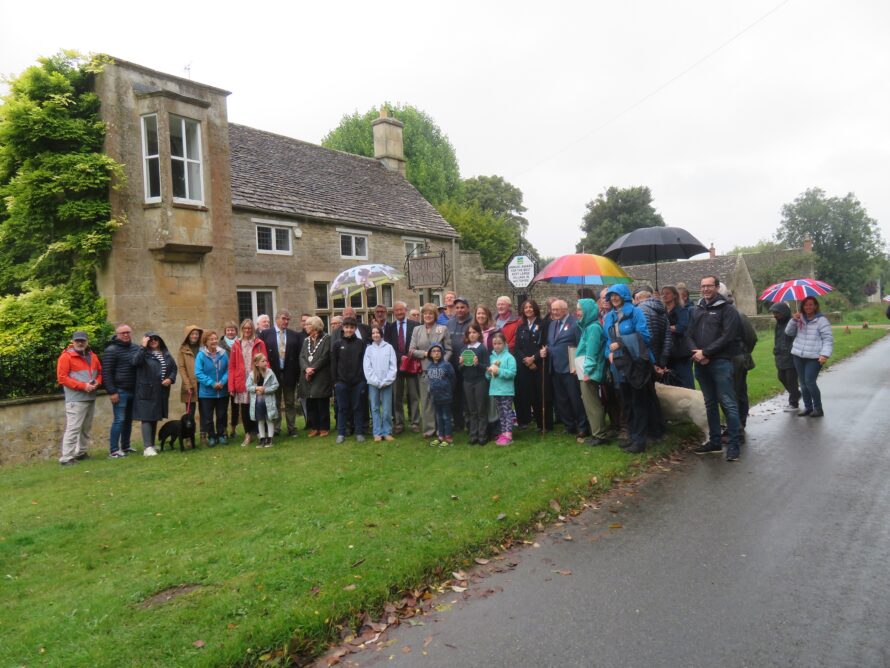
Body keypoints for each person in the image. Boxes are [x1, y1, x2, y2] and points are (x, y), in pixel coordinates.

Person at [686, 275, 742, 461]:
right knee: (710, 404)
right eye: (703, 286)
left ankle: (734, 444)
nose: (705, 289)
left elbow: (727, 337)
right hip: (700, 363)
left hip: (720, 363)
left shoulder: (728, 310)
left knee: (728, 403)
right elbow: (688, 334)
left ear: (717, 287)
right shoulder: (697, 308)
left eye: (709, 286)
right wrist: (697, 353)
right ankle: (715, 442)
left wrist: (706, 353)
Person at [603, 285, 653, 454]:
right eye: (611, 296)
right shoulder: (609, 317)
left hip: (636, 365)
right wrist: (608, 352)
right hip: (618, 366)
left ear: (624, 295)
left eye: (617, 295)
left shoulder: (635, 312)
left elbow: (645, 336)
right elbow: (606, 341)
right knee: (627, 403)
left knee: (638, 402)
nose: (614, 298)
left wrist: (622, 342)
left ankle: (640, 440)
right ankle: (632, 436)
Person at [542, 299, 587, 438]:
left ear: (565, 309)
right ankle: (569, 425)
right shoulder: (552, 325)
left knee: (575, 399)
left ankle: (583, 426)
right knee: (561, 399)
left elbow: (580, 345)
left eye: (557, 310)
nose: (554, 312)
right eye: (552, 309)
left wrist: (576, 366)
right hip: (555, 367)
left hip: (570, 368)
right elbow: (552, 343)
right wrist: (546, 350)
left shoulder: (574, 324)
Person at [57, 331, 102, 465]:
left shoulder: (93, 356)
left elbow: (99, 372)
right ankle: (66, 457)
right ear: (73, 342)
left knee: (85, 428)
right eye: (77, 341)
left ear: (87, 342)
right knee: (73, 428)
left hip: (90, 396)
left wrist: (97, 382)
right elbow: (62, 378)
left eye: (82, 340)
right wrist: (83, 386)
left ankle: (81, 452)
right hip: (75, 398)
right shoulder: (66, 357)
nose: (80, 343)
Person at [409, 303, 452, 437]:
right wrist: (426, 354)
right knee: (426, 401)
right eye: (425, 313)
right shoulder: (417, 330)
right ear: (422, 315)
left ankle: (441, 429)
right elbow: (411, 351)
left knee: (440, 400)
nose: (427, 316)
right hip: (424, 370)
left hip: (439, 372)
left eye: (430, 313)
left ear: (435, 315)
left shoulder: (442, 329)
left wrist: (442, 364)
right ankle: (429, 430)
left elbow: (449, 349)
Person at [786, 296, 833, 417]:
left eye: (811, 304)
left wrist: (825, 354)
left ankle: (818, 408)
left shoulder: (821, 320)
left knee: (809, 382)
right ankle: (808, 407)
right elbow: (788, 332)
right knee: (802, 383)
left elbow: (828, 339)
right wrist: (794, 320)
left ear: (816, 306)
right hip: (798, 355)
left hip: (814, 357)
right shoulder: (799, 318)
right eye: (806, 305)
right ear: (802, 306)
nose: (808, 307)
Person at [258, 309, 303, 438]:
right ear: (277, 318)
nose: (286, 321)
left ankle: (291, 428)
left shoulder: (294, 335)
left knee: (290, 402)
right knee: (275, 402)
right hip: (273, 374)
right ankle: (276, 428)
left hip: (290, 373)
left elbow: (299, 355)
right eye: (283, 318)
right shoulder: (266, 334)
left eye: (288, 319)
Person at [131, 332, 177, 456]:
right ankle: (147, 447)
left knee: (154, 417)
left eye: (156, 339)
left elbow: (173, 368)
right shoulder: (143, 353)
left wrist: (170, 379)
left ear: (160, 340)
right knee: (146, 418)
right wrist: (143, 346)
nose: (153, 341)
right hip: (146, 390)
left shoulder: (166, 354)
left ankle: (151, 444)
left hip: (161, 391)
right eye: (150, 339)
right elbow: (135, 362)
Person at [632, 287, 667, 441]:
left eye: (634, 299)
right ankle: (659, 428)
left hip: (646, 359)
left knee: (647, 397)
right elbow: (667, 338)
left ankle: (653, 430)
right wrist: (662, 360)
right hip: (657, 357)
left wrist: (651, 361)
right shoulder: (661, 310)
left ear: (639, 298)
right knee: (652, 395)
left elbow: (645, 339)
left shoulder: (640, 310)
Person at [228, 319, 268, 446]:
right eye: (245, 328)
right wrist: (231, 385)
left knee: (258, 407)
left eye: (249, 328)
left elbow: (266, 362)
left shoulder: (259, 343)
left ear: (253, 329)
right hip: (241, 381)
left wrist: (266, 378)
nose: (247, 330)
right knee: (245, 409)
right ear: (241, 329)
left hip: (256, 379)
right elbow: (232, 366)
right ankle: (247, 435)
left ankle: (260, 433)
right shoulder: (236, 344)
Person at [575, 298, 609, 446]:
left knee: (592, 403)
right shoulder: (587, 327)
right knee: (589, 403)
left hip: (589, 372)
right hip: (585, 370)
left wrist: (587, 372)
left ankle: (599, 435)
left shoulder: (593, 328)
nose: (577, 312)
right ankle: (597, 432)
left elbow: (592, 352)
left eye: (580, 309)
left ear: (588, 311)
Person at [514, 299, 550, 432]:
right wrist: (526, 360)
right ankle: (533, 422)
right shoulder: (521, 326)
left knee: (541, 395)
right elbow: (517, 348)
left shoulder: (543, 324)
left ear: (535, 308)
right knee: (529, 394)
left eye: (530, 307)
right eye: (526, 307)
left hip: (539, 365)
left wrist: (534, 359)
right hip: (525, 366)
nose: (528, 309)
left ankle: (544, 424)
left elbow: (545, 345)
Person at [384, 301, 420, 434]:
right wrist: (400, 357)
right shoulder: (390, 327)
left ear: (406, 310)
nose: (399, 312)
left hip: (412, 365)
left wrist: (409, 356)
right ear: (393, 313)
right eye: (396, 310)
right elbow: (388, 346)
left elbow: (417, 343)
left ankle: (415, 422)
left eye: (401, 310)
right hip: (396, 366)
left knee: (414, 395)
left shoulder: (415, 325)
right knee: (396, 396)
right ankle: (399, 423)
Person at [102, 323, 137, 457]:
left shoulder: (135, 348)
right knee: (119, 420)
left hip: (133, 390)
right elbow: (107, 373)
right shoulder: (111, 350)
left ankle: (126, 446)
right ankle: (114, 450)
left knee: (128, 420)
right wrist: (112, 391)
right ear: (117, 335)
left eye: (128, 332)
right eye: (123, 333)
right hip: (120, 391)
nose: (126, 335)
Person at [332, 317, 367, 444]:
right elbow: (333, 364)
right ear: (343, 328)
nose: (349, 330)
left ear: (355, 329)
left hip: (358, 382)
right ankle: (341, 433)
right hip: (341, 383)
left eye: (352, 327)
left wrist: (363, 381)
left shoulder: (360, 343)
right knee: (342, 408)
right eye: (347, 327)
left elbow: (364, 363)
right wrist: (335, 382)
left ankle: (359, 432)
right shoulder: (337, 344)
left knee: (358, 408)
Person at [194, 330, 230, 446]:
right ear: (205, 342)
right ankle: (211, 436)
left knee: (221, 415)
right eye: (211, 339)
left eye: (215, 338)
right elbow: (198, 373)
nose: (214, 341)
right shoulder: (201, 355)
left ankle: (221, 435)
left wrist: (223, 382)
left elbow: (228, 370)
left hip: (222, 391)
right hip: (207, 392)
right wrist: (212, 383)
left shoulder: (223, 354)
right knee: (208, 417)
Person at [364, 324, 398, 442]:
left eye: (377, 332)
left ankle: (387, 432)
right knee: (375, 408)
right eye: (373, 333)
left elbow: (393, 367)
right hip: (373, 384)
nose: (375, 335)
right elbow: (367, 368)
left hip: (386, 383)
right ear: (371, 335)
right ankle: (377, 433)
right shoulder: (369, 349)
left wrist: (386, 381)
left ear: (381, 334)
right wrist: (375, 381)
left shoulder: (389, 347)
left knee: (387, 408)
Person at [300, 316, 333, 436]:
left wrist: (313, 369)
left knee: (321, 402)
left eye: (308, 324)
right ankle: (314, 427)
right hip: (308, 375)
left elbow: (325, 356)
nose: (305, 326)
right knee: (311, 402)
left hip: (321, 375)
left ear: (315, 326)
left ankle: (324, 427)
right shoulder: (306, 340)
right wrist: (306, 369)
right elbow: (302, 357)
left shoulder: (326, 338)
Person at [445, 296, 473, 431]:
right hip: (452, 365)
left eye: (462, 307)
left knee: (467, 395)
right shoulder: (449, 323)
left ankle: (469, 423)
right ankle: (458, 423)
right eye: (457, 307)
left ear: (467, 308)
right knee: (454, 394)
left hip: (468, 365)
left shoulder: (473, 322)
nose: (460, 310)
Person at [461, 323, 491, 445]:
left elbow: (486, 367)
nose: (472, 335)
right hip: (467, 382)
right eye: (470, 333)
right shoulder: (464, 349)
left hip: (480, 382)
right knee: (472, 410)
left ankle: (482, 435)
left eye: (474, 332)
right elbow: (460, 369)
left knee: (481, 409)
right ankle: (473, 435)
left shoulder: (482, 349)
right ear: (467, 335)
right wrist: (461, 364)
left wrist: (477, 364)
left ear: (479, 334)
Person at [769, 302, 801, 411]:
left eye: (777, 313)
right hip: (780, 355)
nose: (775, 315)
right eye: (774, 313)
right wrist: (776, 349)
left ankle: (793, 403)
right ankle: (796, 394)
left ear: (783, 312)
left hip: (791, 354)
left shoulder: (792, 322)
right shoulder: (778, 324)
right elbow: (777, 338)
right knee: (781, 377)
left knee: (791, 379)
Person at [487, 332, 517, 446]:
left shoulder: (509, 357)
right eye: (495, 344)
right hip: (495, 390)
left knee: (507, 412)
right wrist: (489, 373)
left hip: (506, 390)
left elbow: (512, 373)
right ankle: (503, 432)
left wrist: (499, 371)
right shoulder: (491, 357)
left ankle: (508, 434)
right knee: (500, 412)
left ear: (505, 343)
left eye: (499, 343)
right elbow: (489, 376)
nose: (497, 346)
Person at [661, 286, 694, 389]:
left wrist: (666, 328)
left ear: (675, 295)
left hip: (681, 351)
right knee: (670, 381)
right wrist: (671, 327)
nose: (664, 295)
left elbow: (681, 327)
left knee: (685, 382)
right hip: (667, 352)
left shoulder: (681, 310)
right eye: (663, 293)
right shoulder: (662, 311)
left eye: (667, 293)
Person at [177, 325, 204, 443]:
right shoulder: (183, 349)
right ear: (188, 336)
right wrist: (188, 385)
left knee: (205, 411)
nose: (195, 336)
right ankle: (189, 437)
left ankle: (203, 435)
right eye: (192, 334)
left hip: (202, 384)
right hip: (190, 386)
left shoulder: (203, 348)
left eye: (197, 334)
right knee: (190, 413)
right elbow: (182, 368)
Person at [425, 343, 455, 446]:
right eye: (434, 351)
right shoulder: (429, 367)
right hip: (435, 397)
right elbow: (429, 381)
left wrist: (448, 390)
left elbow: (452, 378)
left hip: (446, 396)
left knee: (446, 417)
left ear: (442, 353)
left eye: (438, 351)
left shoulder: (446, 365)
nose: (436, 353)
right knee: (438, 417)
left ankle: (448, 437)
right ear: (430, 354)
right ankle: (440, 436)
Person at [247, 352, 279, 447]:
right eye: (263, 361)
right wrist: (256, 388)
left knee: (269, 419)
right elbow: (248, 386)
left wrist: (265, 390)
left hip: (268, 401)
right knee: (260, 420)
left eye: (266, 360)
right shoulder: (252, 375)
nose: (265, 362)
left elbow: (276, 385)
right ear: (256, 363)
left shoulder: (270, 373)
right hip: (257, 402)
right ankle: (262, 438)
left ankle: (270, 439)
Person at [218, 320, 241, 438]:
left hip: (237, 378)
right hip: (223, 378)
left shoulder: (240, 342)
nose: (230, 332)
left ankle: (233, 429)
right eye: (228, 330)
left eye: (232, 330)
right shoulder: (219, 345)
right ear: (225, 331)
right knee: (223, 406)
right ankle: (224, 430)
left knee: (235, 406)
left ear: (236, 331)